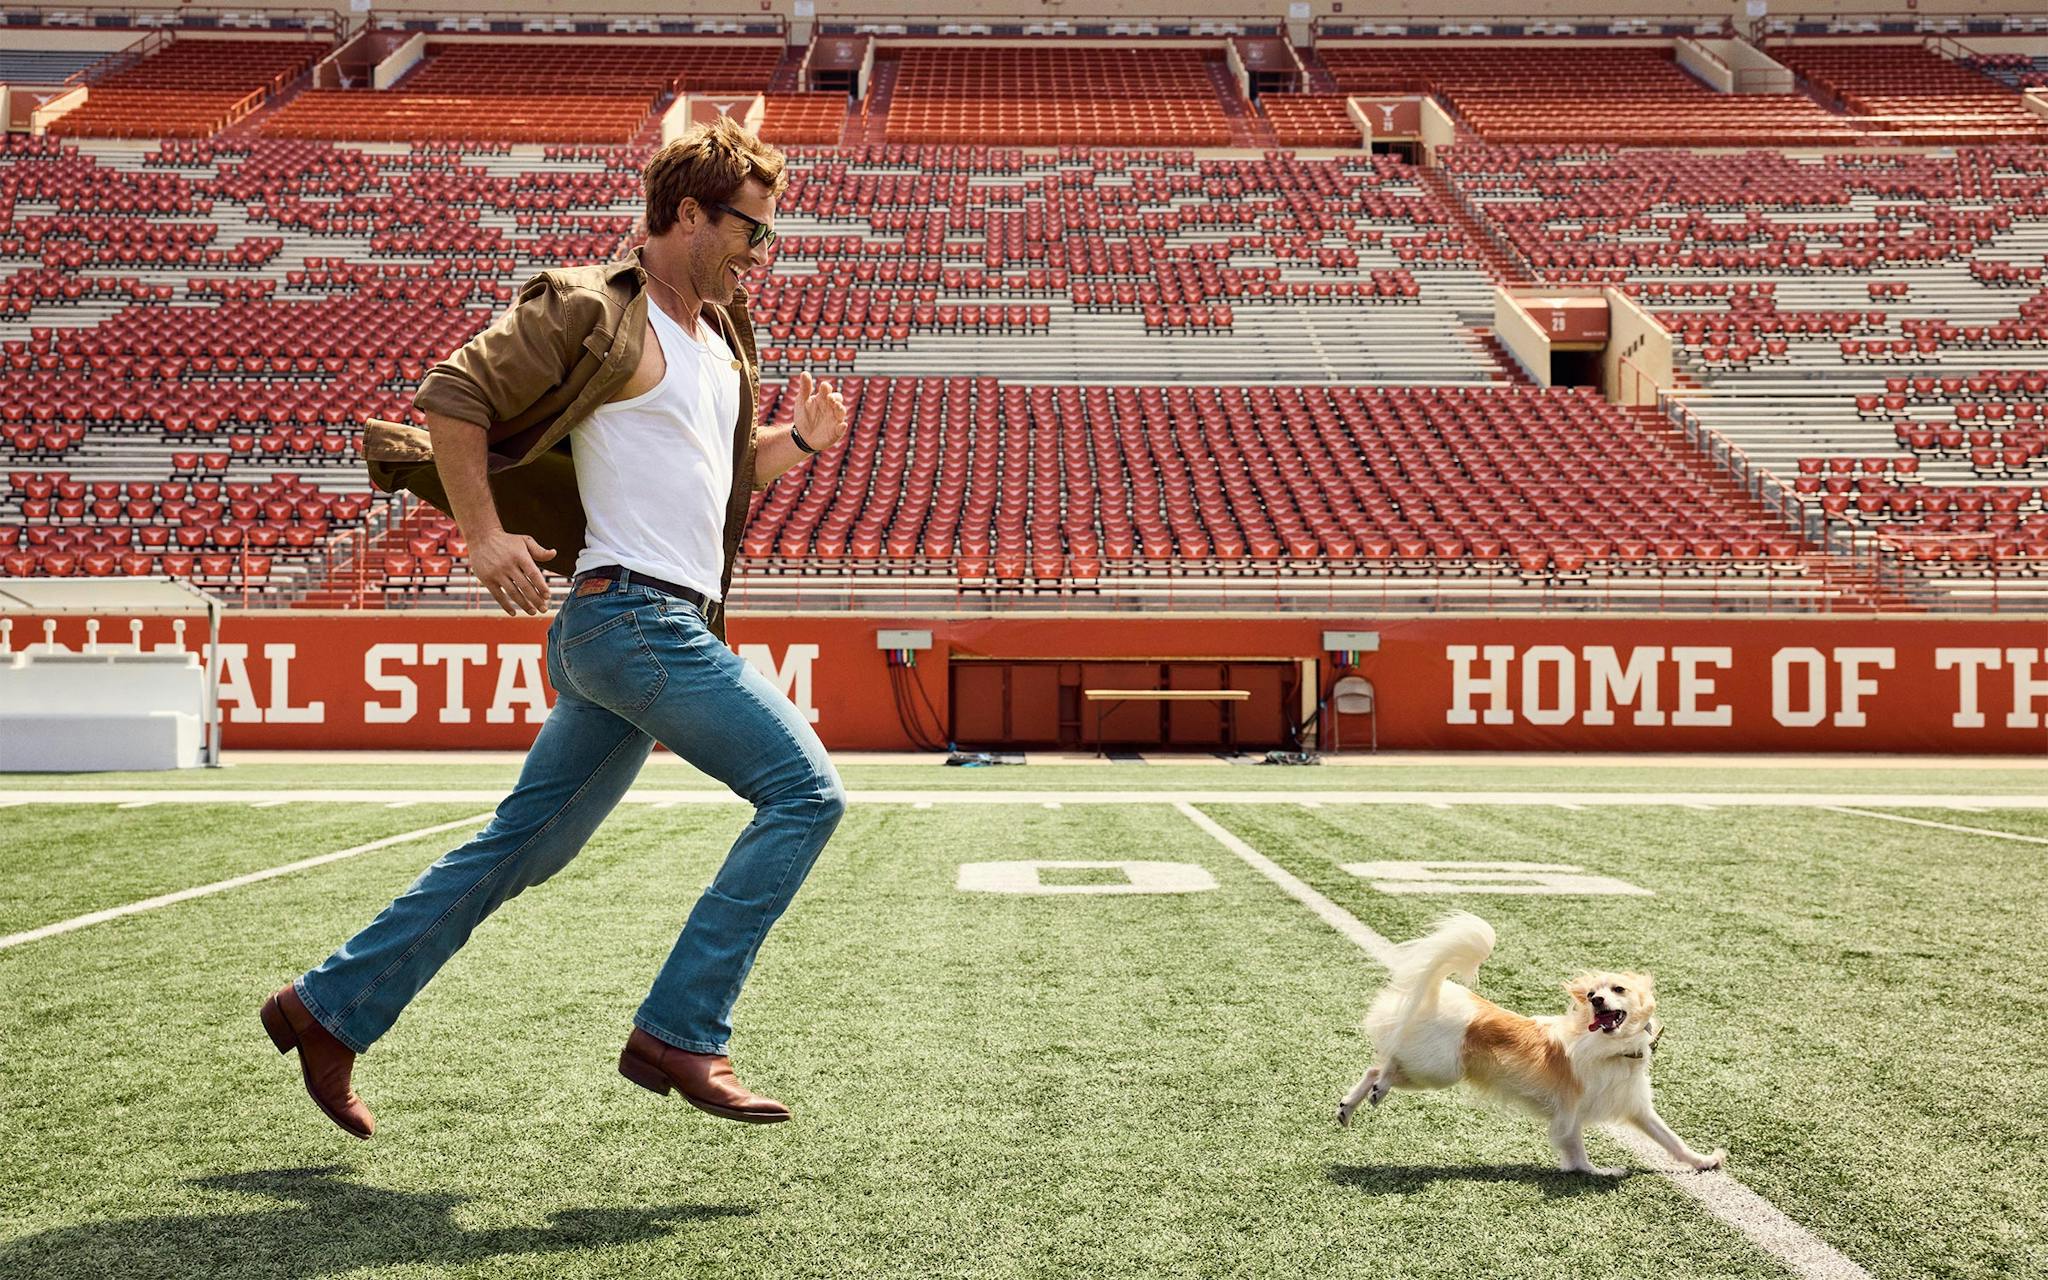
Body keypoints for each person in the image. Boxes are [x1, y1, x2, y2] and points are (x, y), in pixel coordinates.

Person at [259, 117, 849, 1137]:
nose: (762, 252)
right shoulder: (588, 304)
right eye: (751, 231)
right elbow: (454, 395)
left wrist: (795, 439)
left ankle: (324, 1008)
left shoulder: (721, 338)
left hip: (642, 622)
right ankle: (681, 1029)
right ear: (686, 215)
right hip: (631, 618)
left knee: (521, 847)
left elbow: (723, 480)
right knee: (805, 792)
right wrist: (484, 536)